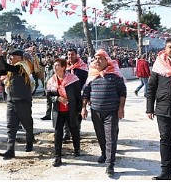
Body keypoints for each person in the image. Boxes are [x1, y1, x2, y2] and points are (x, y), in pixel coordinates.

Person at [82, 49, 127, 177]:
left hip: (111, 112)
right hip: (95, 112)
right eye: (95, 58)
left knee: (110, 138)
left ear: (107, 60)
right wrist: (84, 107)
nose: (97, 60)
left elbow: (122, 93)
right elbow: (86, 93)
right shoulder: (92, 75)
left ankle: (110, 164)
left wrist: (121, 108)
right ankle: (104, 153)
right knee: (100, 136)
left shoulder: (115, 75)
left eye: (100, 58)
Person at [0, 45, 34, 159]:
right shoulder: (13, 68)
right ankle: (10, 150)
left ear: (19, 57)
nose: (10, 58)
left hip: (22, 100)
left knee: (27, 125)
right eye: (9, 56)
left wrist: (1, 56)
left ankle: (29, 141)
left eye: (12, 56)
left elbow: (5, 66)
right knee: (11, 126)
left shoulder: (22, 66)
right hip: (11, 100)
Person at [146, 38, 171, 180]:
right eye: (170, 47)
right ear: (165, 49)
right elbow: (151, 88)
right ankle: (165, 171)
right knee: (165, 139)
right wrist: (149, 108)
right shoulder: (158, 66)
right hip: (163, 109)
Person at [46, 58, 82, 167]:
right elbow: (48, 96)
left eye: (57, 65)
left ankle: (77, 149)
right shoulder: (51, 80)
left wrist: (79, 110)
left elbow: (78, 96)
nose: (55, 67)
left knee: (74, 130)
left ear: (63, 67)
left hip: (71, 110)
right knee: (58, 133)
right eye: (54, 65)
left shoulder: (73, 79)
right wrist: (57, 98)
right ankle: (57, 156)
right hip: (58, 111)